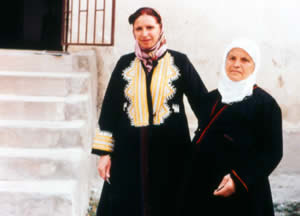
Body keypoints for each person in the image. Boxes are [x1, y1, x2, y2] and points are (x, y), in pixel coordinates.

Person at [91, 7, 207, 216]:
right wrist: (104, 154)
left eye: (150, 27)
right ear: (133, 32)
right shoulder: (125, 63)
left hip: (171, 152)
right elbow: (109, 111)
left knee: (170, 205)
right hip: (129, 152)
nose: (145, 33)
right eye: (139, 28)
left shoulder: (180, 62)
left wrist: (200, 148)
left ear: (160, 28)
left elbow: (203, 105)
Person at [183, 38, 283, 216]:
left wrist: (239, 180)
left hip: (243, 194)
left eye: (245, 60)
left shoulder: (266, 104)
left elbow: (272, 153)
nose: (237, 64)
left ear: (254, 65)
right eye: (232, 58)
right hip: (203, 190)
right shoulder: (213, 98)